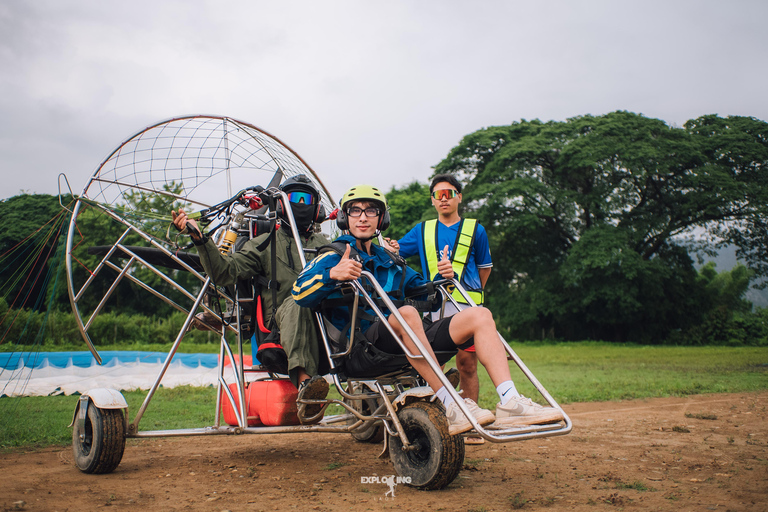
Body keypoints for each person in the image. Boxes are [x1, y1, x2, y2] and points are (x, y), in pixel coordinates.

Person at [292, 185, 564, 435]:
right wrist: (333, 275)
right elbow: (299, 292)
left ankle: (510, 400)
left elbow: (425, 291)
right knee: (407, 314)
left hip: (402, 339)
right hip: (360, 350)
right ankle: (451, 404)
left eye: (371, 210)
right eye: (355, 211)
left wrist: (443, 278)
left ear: (381, 219)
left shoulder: (390, 259)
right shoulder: (331, 255)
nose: (363, 217)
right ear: (345, 218)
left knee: (481, 315)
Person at [172, 175, 330, 422]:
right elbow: (224, 272)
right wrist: (199, 238)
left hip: (326, 322)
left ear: (316, 208)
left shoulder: (326, 245)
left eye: (305, 198)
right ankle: (305, 385)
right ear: (280, 205)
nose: (299, 203)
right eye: (292, 199)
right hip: (281, 323)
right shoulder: (264, 244)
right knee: (300, 300)